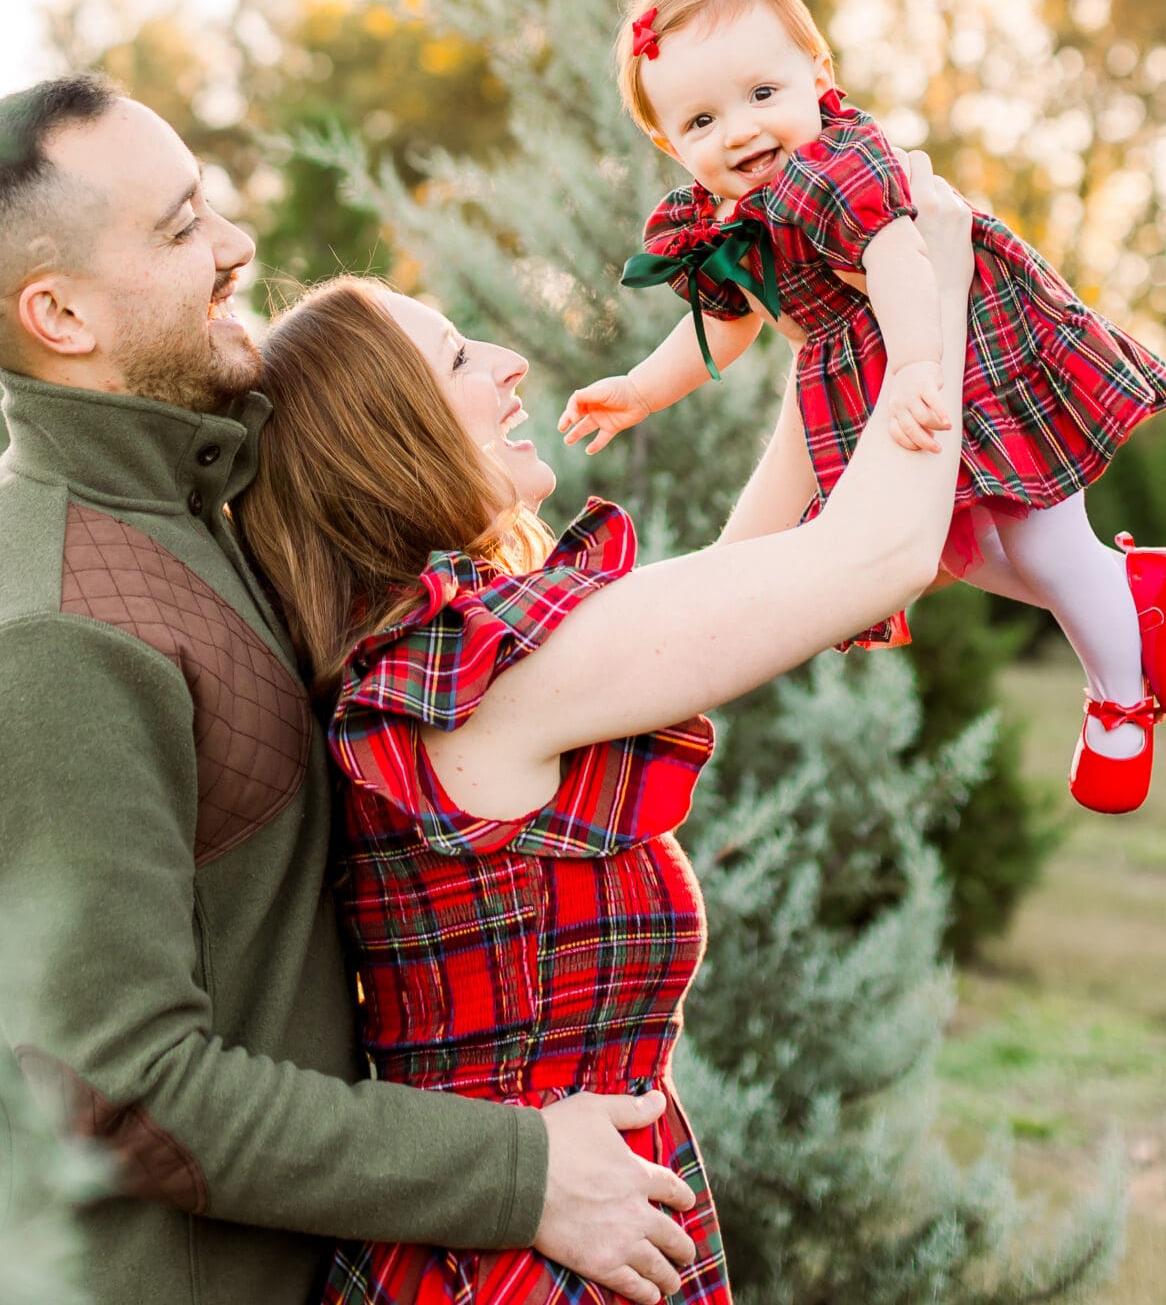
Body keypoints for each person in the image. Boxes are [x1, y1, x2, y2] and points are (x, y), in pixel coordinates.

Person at [0, 77, 701, 1305]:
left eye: (206, 204)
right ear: (59, 311)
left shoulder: (191, 510)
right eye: (178, 229)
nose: (236, 246)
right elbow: (131, 1095)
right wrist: (517, 1173)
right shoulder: (51, 639)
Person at [238, 149, 976, 1304]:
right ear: (385, 433)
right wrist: (942, 283)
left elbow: (740, 583)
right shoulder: (463, 676)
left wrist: (827, 339)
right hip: (516, 1262)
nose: (508, 359)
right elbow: (878, 552)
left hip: (544, 1235)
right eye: (457, 356)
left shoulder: (456, 660)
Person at [559, 0, 1166, 816]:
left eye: (761, 95)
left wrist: (916, 366)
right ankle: (1133, 592)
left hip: (964, 342)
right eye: (702, 119)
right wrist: (639, 388)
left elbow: (900, 258)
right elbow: (729, 318)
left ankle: (1118, 698)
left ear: (817, 77)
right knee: (955, 550)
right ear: (669, 144)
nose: (740, 130)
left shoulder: (837, 167)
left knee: (1042, 543)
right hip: (879, 365)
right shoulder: (721, 216)